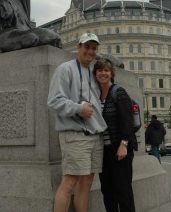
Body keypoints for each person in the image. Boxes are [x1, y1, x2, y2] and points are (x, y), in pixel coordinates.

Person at [47, 32, 107, 212]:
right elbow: (54, 101)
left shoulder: (92, 72)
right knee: (70, 181)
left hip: (95, 136)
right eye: (86, 47)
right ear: (78, 47)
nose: (90, 51)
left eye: (94, 48)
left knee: (87, 180)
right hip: (75, 135)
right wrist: (78, 108)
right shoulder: (65, 69)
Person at [93, 57, 136, 212]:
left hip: (120, 149)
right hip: (103, 151)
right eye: (99, 70)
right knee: (107, 191)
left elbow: (128, 122)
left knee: (123, 191)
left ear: (111, 73)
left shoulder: (119, 92)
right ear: (95, 73)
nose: (103, 73)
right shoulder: (95, 95)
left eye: (106, 70)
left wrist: (123, 145)